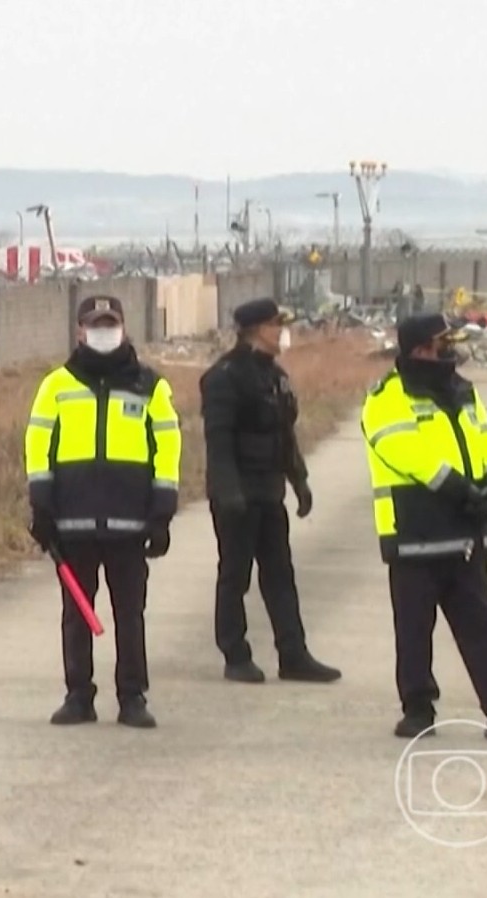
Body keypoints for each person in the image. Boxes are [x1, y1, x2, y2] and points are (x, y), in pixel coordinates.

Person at [360, 313, 487, 743]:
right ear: (421, 348)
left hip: (467, 531)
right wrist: (462, 491)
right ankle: (418, 710)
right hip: (415, 531)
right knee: (415, 630)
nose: (451, 349)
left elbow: (485, 438)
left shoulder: (462, 390)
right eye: (443, 343)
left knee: (481, 628)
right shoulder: (387, 397)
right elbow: (406, 453)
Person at [25, 294, 182, 729]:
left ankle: (132, 697)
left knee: (130, 615)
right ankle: (78, 696)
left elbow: (167, 448)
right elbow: (38, 446)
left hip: (130, 522)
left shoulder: (151, 386)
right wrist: (41, 504)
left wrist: (162, 512)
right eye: (95, 324)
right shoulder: (56, 385)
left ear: (124, 327)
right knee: (76, 615)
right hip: (72, 521)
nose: (103, 330)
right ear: (79, 331)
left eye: (110, 322)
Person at [200, 298, 341, 685]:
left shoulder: (274, 376)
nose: (283, 332)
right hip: (237, 493)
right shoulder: (225, 376)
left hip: (268, 489)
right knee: (236, 574)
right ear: (258, 329)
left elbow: (284, 435)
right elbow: (218, 440)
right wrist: (227, 490)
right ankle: (235, 653)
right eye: (278, 324)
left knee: (280, 574)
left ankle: (293, 655)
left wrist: (299, 480)